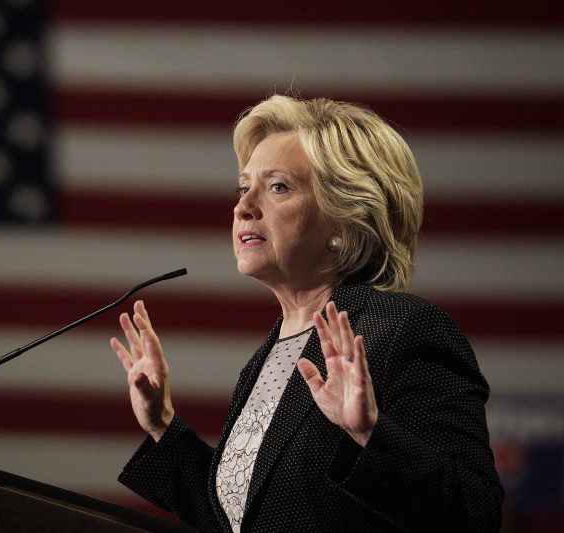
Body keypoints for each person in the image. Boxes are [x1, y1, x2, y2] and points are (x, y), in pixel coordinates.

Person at [109, 95, 503, 532]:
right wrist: (163, 423)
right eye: (244, 188)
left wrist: (369, 435)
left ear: (344, 218)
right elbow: (246, 518)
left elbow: (474, 513)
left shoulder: (403, 330)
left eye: (277, 187)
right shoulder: (267, 357)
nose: (243, 206)